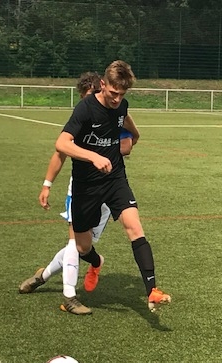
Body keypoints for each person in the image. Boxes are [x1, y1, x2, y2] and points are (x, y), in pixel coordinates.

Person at [54, 60, 171, 312]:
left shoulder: (122, 106)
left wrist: (134, 136)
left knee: (135, 227)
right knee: (82, 246)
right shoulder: (85, 108)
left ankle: (152, 290)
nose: (117, 99)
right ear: (103, 84)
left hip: (115, 179)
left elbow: (127, 123)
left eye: (122, 94)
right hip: (86, 186)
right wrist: (93, 157)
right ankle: (96, 262)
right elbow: (62, 143)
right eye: (113, 92)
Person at [18, 72, 134, 315]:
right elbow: (60, 152)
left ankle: (43, 275)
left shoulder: (113, 114)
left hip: (108, 189)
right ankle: (69, 297)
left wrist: (109, 148)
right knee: (74, 242)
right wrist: (47, 184)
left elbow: (129, 142)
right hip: (81, 187)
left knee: (82, 247)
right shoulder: (82, 116)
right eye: (83, 99)